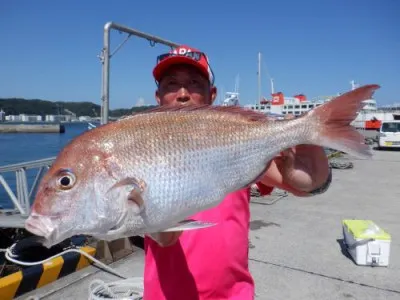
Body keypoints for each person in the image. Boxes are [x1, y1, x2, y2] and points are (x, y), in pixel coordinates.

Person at [142, 45, 331, 300]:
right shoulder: (140, 150)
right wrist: (160, 225)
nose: (183, 94)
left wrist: (313, 172)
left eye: (195, 84)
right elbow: (159, 235)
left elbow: (304, 185)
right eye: (171, 84)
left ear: (212, 95)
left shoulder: (239, 142)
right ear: (158, 96)